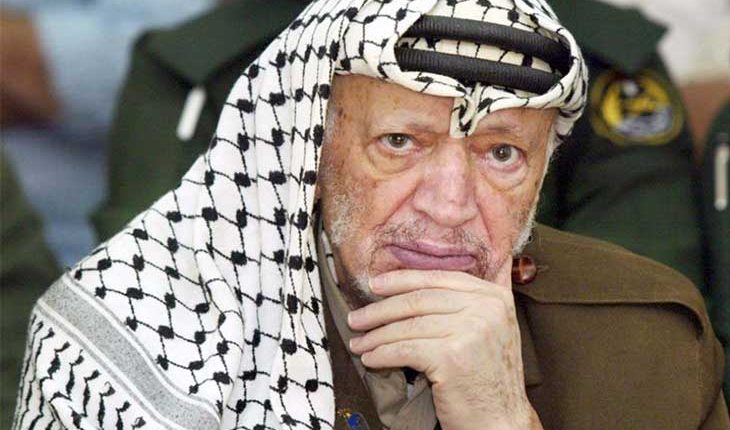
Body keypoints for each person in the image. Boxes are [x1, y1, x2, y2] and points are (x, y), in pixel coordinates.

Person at [14, 1, 728, 429]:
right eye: (399, 143)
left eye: (502, 153)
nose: (450, 206)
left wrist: (500, 418)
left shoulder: (643, 349)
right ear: (312, 148)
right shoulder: (129, 339)